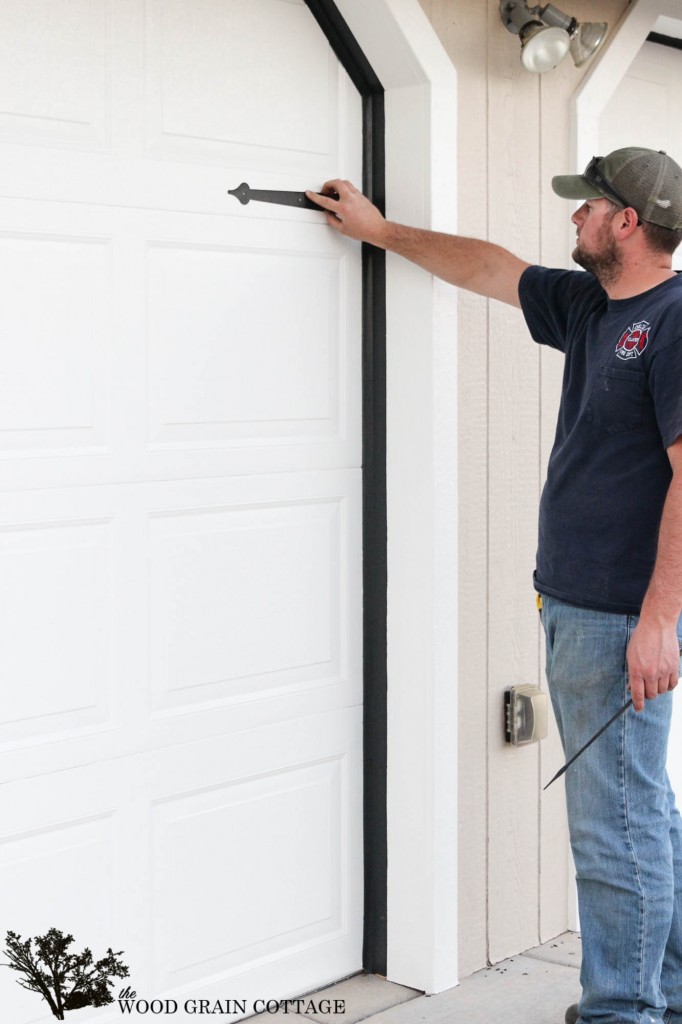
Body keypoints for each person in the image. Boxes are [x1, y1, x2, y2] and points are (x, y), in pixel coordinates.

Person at [307, 147, 682, 1024]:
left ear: (627, 221)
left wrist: (659, 619)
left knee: (613, 831)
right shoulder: (593, 305)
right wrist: (380, 231)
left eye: (587, 206)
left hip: (622, 617)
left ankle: (623, 1012)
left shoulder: (672, 322)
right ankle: (663, 992)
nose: (574, 217)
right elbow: (492, 267)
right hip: (579, 606)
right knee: (641, 812)